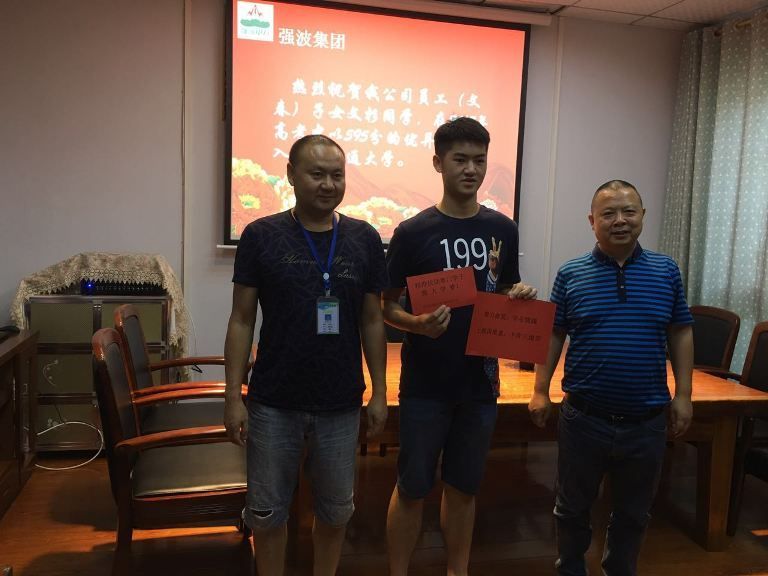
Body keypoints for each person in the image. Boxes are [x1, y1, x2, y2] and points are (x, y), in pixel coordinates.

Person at [223, 134, 388, 576]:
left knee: (335, 511)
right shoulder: (261, 235)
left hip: (341, 401)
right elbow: (241, 320)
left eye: (337, 175)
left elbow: (373, 320)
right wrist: (233, 396)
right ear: (291, 175)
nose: (328, 184)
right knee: (266, 512)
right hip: (274, 400)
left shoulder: (364, 238)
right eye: (317, 174)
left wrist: (379, 392)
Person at [383, 117, 537, 576]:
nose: (471, 169)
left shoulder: (502, 228)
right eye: (460, 159)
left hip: (480, 385)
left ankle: (458, 570)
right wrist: (417, 324)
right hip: (425, 385)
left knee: (464, 487)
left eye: (479, 160)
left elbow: (501, 289)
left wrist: (517, 295)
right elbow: (384, 308)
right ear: (438, 163)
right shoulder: (412, 232)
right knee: (412, 487)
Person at [528, 180, 694, 576]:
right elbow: (554, 333)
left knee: (634, 512)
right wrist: (539, 390)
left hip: (646, 420)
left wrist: (684, 395)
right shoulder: (571, 273)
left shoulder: (666, 271)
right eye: (608, 213)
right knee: (571, 507)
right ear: (592, 221)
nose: (620, 220)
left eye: (628, 211)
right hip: (584, 418)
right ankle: (570, 568)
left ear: (642, 216)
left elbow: (680, 331)